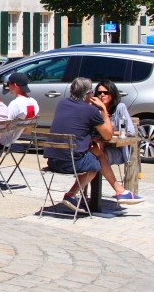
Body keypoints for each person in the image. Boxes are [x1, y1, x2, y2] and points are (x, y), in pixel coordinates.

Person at [45, 77, 113, 212]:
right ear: (88, 94)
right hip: (70, 164)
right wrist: (103, 110)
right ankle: (70, 195)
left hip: (52, 161)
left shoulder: (62, 103)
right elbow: (108, 135)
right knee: (95, 163)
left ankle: (79, 196)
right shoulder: (91, 110)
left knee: (88, 155)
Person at [94, 78, 144, 203]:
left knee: (97, 158)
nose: (102, 95)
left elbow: (131, 132)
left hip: (117, 149)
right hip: (100, 146)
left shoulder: (119, 108)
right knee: (92, 156)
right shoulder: (95, 110)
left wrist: (110, 133)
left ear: (112, 94)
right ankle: (116, 192)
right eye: (99, 93)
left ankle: (118, 191)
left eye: (105, 92)